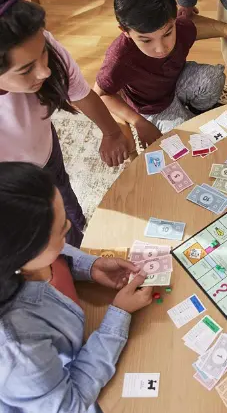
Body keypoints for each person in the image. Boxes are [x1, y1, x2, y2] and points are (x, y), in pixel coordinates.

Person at [0, 162, 153, 412]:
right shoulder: (17, 351)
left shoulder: (19, 253)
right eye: (63, 231)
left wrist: (91, 266)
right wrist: (119, 315)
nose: (71, 226)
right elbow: (70, 405)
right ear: (22, 252)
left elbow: (57, 254)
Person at [0, 0, 130, 248]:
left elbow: (80, 93)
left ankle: (79, 239)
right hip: (9, 182)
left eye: (43, 53)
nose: (45, 72)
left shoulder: (41, 43)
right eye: (26, 70)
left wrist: (112, 132)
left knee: (67, 211)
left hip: (46, 153)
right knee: (39, 239)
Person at [95, 0, 226, 146]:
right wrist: (138, 122)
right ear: (125, 31)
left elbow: (193, 24)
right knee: (185, 141)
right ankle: (187, 118)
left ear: (174, 20)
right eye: (146, 40)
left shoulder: (182, 27)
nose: (161, 48)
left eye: (167, 33)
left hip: (176, 82)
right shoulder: (119, 57)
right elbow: (101, 94)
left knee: (214, 76)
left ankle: (196, 112)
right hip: (151, 107)